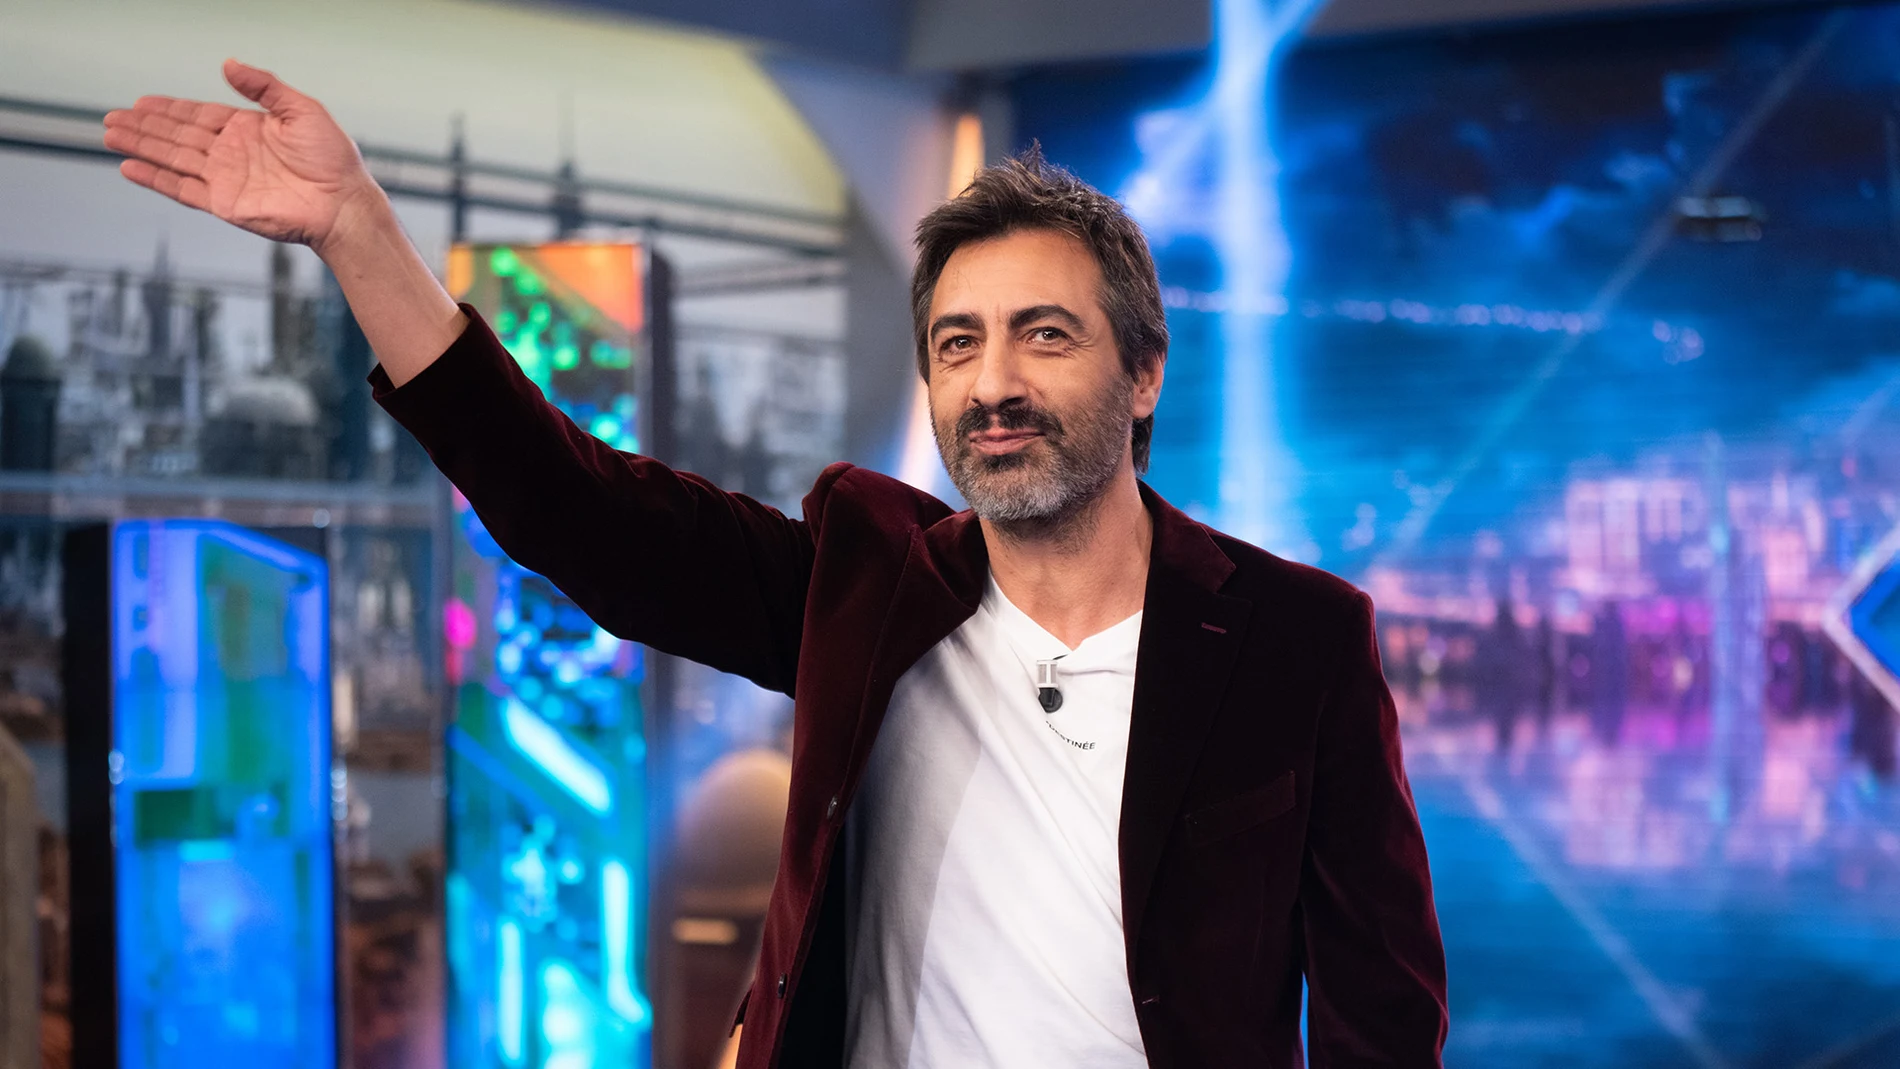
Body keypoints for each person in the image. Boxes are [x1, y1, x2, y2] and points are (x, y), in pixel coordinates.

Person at [105, 61, 1448, 1068]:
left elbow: (1382, 1022)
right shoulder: (870, 590)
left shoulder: (1296, 642)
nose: (993, 384)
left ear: (1143, 372)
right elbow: (572, 509)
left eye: (1044, 335)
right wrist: (357, 231)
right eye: (958, 345)